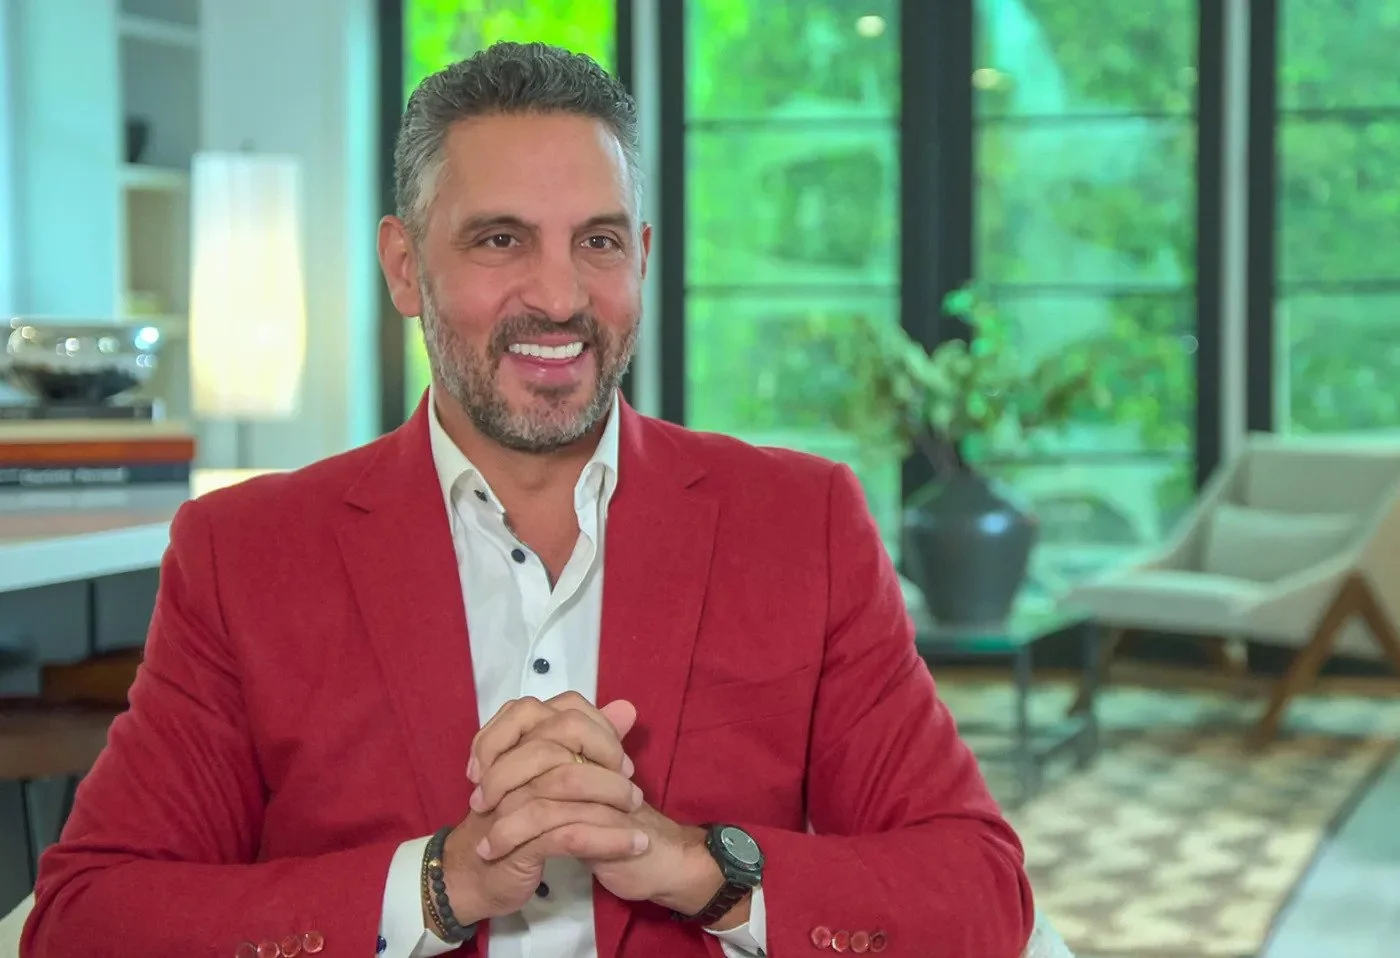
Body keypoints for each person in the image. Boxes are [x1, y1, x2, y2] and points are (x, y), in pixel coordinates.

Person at [22, 41, 1034, 958]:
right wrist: (438, 882)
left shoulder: (797, 521)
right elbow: (89, 920)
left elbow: (977, 892)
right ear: (404, 267)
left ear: (638, 255)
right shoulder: (245, 551)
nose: (557, 297)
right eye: (500, 240)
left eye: (595, 242)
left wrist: (697, 866)